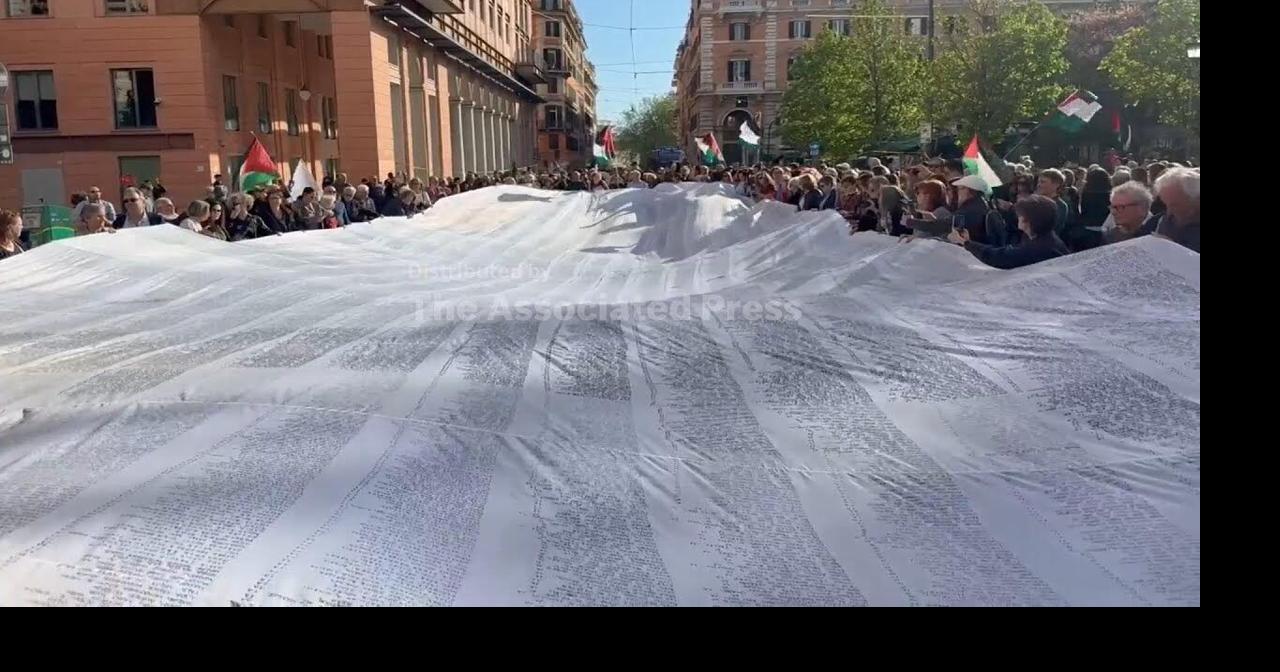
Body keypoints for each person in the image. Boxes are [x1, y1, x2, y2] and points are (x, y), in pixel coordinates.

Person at [949, 195, 1069, 269]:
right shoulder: (1044, 237)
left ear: (1029, 220)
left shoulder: (1040, 247)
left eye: (1020, 215)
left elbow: (999, 257)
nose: (1017, 217)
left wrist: (965, 243)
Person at [1149, 167, 1200, 252]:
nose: (1169, 211)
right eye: (1165, 204)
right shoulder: (1164, 220)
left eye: (1175, 205)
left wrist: (1175, 250)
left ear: (1197, 198)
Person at [950, 175, 991, 245]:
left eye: (960, 189)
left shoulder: (966, 211)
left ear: (968, 190)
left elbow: (948, 226)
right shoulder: (985, 205)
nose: (958, 193)